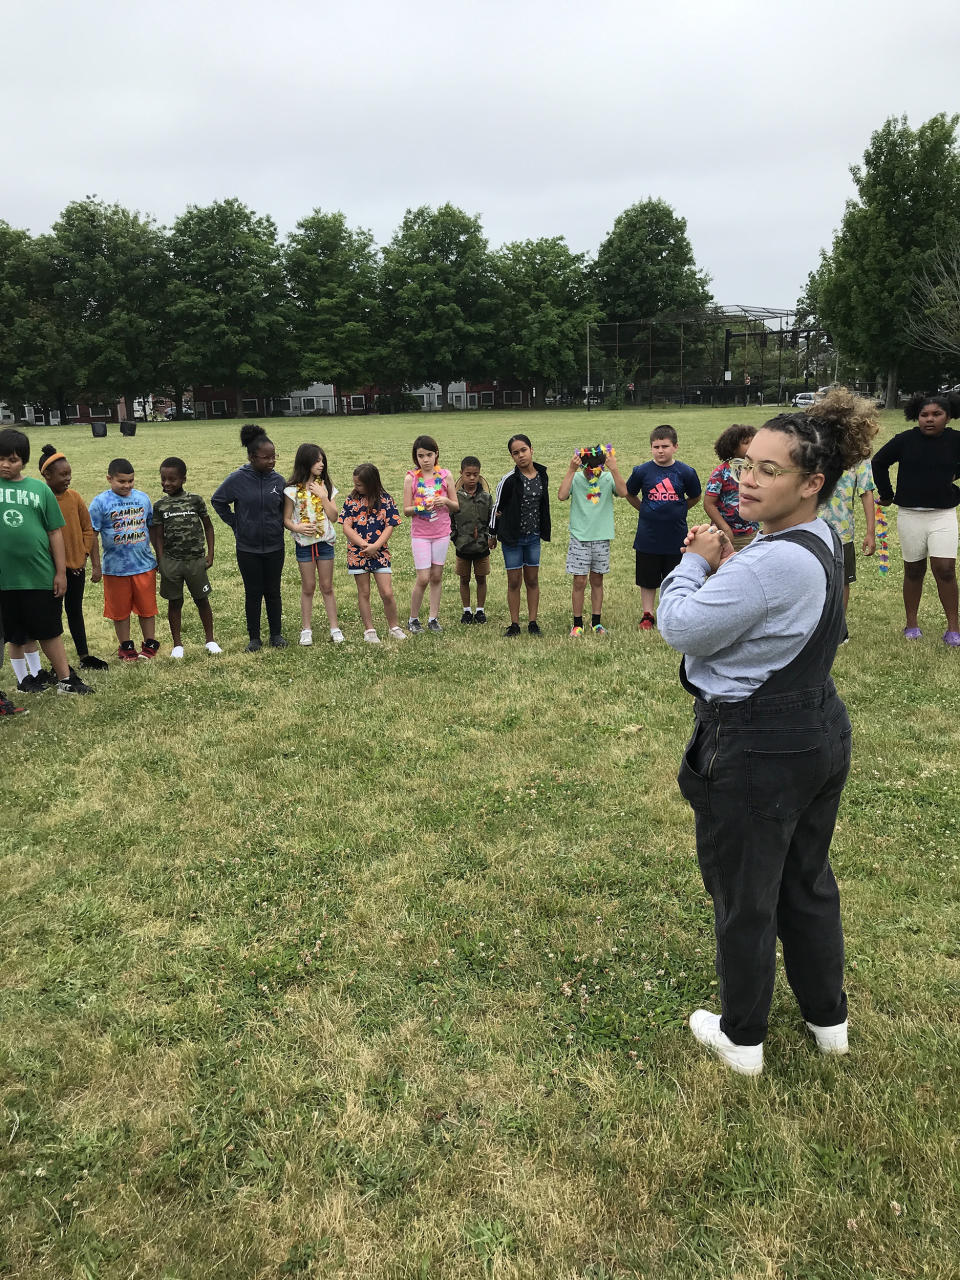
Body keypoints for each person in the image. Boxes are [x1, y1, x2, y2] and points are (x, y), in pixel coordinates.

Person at [658, 388, 879, 1075]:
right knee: (805, 881)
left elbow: (682, 627)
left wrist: (696, 560)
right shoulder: (818, 543)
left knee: (744, 895)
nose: (746, 478)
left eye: (769, 469)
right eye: (747, 463)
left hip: (758, 746)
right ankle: (827, 1019)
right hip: (817, 729)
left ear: (813, 482)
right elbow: (778, 619)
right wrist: (732, 572)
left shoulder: (769, 559)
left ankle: (743, 1037)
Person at [0, 428, 92, 694]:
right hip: (6, 579)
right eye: (2, 458)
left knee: (49, 630)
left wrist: (60, 572)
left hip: (38, 574)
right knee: (15, 634)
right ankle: (23, 680)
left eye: (13, 459)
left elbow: (55, 532)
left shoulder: (39, 489)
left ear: (24, 462)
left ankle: (65, 679)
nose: (6, 464)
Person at [872, 391, 960, 646]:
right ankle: (912, 624)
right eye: (924, 415)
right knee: (914, 569)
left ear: (948, 416)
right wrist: (887, 495)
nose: (929, 419)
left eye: (936, 414)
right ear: (916, 416)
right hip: (910, 514)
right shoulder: (905, 440)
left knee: (945, 569)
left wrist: (951, 484)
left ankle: (953, 629)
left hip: (943, 515)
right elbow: (879, 462)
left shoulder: (956, 440)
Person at [211, 425, 287, 651]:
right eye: (266, 457)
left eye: (274, 457)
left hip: (275, 546)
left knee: (273, 591)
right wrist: (236, 523)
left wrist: (278, 526)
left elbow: (284, 509)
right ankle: (254, 637)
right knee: (253, 592)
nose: (272, 461)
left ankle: (276, 635)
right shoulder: (237, 479)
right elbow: (218, 501)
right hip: (248, 548)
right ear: (252, 457)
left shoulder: (278, 481)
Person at [37, 444, 108, 670]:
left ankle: (84, 655)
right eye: (63, 474)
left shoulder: (75, 497)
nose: (68, 478)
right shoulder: (41, 499)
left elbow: (88, 529)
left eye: (69, 473)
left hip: (76, 568)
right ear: (47, 475)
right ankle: (55, 663)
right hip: (52, 571)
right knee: (53, 616)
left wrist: (86, 557)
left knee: (75, 611)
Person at [626, 425, 702, 631]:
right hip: (648, 535)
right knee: (648, 578)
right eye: (656, 446)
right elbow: (629, 493)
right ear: (651, 447)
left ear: (675, 447)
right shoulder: (642, 471)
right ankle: (648, 614)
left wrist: (680, 508)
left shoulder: (685, 472)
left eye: (665, 446)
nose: (660, 450)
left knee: (674, 576)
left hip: (675, 535)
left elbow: (695, 496)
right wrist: (643, 508)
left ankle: (671, 612)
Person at [88, 457, 160, 662]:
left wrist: (159, 557)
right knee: (119, 611)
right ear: (109, 479)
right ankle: (126, 645)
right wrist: (96, 566)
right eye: (121, 481)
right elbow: (92, 534)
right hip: (115, 568)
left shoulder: (143, 499)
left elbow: (151, 528)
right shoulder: (100, 503)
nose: (127, 485)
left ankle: (149, 643)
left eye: (130, 481)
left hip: (144, 564)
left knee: (147, 608)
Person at [151, 457, 221, 658]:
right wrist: (161, 559)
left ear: (183, 479)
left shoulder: (195, 500)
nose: (166, 483)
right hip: (172, 562)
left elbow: (208, 526)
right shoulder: (160, 506)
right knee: (175, 602)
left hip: (195, 561)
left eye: (171, 479)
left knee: (202, 600)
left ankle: (210, 640)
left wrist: (210, 553)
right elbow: (157, 534)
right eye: (163, 479)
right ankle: (177, 645)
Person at [557, 443, 627, 635]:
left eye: (598, 468)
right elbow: (562, 495)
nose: (593, 473)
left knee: (597, 580)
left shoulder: (607, 477)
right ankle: (577, 623)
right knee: (579, 581)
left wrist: (614, 469)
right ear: (583, 466)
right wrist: (571, 470)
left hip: (601, 537)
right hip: (580, 536)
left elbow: (623, 492)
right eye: (589, 468)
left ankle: (596, 621)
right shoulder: (577, 477)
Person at [283, 443, 343, 645]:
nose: (322, 464)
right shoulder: (292, 490)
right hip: (304, 545)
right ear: (305, 462)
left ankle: (334, 627)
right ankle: (306, 629)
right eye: (317, 460)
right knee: (308, 586)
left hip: (325, 543)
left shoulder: (326, 486)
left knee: (327, 586)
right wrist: (297, 528)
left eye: (323, 460)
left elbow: (334, 517)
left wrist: (324, 496)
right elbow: (286, 520)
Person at [490, 434, 550, 637]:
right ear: (512, 457)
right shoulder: (509, 480)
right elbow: (496, 507)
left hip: (533, 536)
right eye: (515, 453)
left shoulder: (542, 474)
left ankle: (533, 622)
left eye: (523, 450)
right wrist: (492, 532)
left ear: (531, 450)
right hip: (512, 538)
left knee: (532, 579)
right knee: (514, 581)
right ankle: (514, 624)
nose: (521, 455)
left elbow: (543, 503)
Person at [341, 463, 407, 644]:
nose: (356, 487)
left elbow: (390, 525)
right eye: (355, 484)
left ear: (371, 483)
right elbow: (346, 526)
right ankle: (369, 630)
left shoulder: (386, 500)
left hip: (380, 553)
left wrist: (376, 546)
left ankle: (394, 627)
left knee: (387, 592)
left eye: (360, 485)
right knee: (364, 592)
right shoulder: (351, 500)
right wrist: (364, 545)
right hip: (358, 553)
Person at [402, 434, 458, 633]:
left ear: (436, 455)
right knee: (423, 577)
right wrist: (420, 507)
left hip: (441, 532)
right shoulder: (411, 478)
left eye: (429, 455)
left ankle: (433, 618)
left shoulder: (445, 476)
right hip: (421, 534)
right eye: (420, 456)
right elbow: (406, 510)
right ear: (415, 458)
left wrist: (445, 502)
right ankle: (413, 619)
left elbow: (455, 506)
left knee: (436, 576)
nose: (425, 460)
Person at [822, 458, 876, 617]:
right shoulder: (814, 441)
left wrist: (870, 533)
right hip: (810, 526)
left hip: (842, 532)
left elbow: (866, 491)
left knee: (842, 580)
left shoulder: (859, 452)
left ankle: (838, 627)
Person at [702, 425, 759, 552]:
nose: (752, 446)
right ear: (733, 448)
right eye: (746, 443)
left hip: (751, 533)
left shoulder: (757, 471)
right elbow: (708, 504)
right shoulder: (721, 472)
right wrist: (725, 528)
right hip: (726, 534)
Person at [450, 456, 492, 624]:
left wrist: (490, 536)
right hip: (463, 546)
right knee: (464, 578)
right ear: (461, 474)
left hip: (482, 546)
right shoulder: (455, 498)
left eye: (475, 474)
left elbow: (491, 519)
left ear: (479, 474)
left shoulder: (486, 497)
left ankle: (480, 610)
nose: (472, 478)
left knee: (481, 578)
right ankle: (467, 610)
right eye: (468, 474)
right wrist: (455, 537)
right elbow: (450, 520)